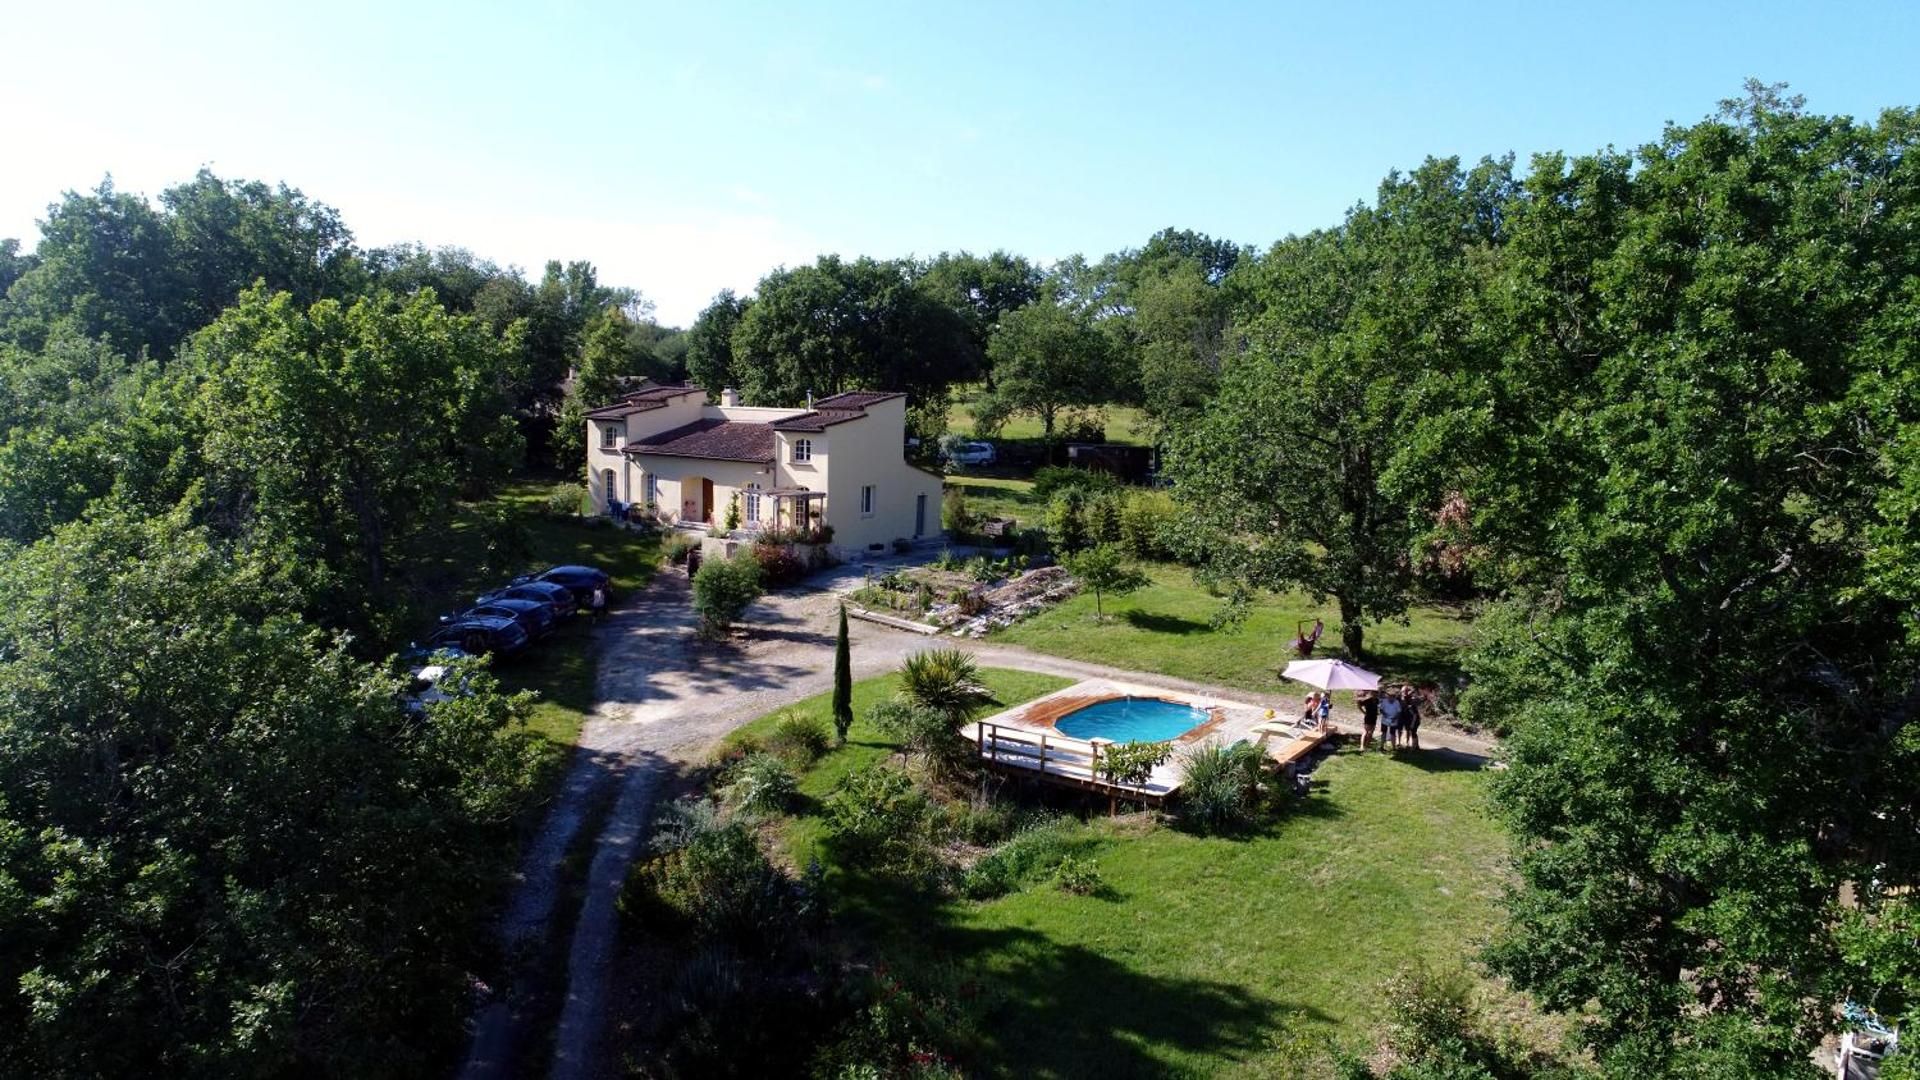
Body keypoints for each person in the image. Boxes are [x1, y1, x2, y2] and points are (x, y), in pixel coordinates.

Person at [1401, 684, 1422, 750]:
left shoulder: (1411, 705)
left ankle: (1413, 747)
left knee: (1413, 732)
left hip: (1415, 720)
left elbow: (1415, 715)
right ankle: (1417, 746)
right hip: (1412, 719)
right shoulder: (1409, 703)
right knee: (1414, 732)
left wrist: (1412, 724)